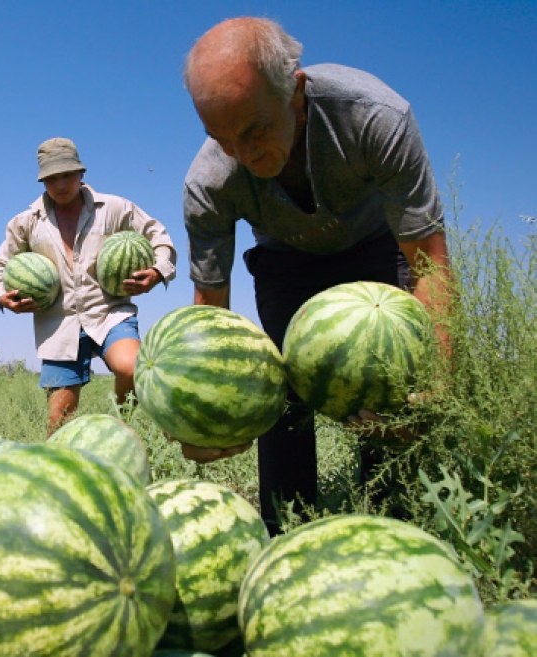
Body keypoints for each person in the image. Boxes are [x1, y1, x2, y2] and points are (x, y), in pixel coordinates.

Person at [180, 18, 452, 533]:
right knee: (282, 403)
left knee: (387, 401)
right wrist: (205, 413)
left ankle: (397, 523)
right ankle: (287, 531)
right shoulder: (209, 182)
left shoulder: (375, 118)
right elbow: (210, 313)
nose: (241, 154)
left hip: (377, 249)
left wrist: (435, 388)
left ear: (295, 91)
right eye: (222, 138)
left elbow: (428, 261)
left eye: (255, 130)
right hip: (287, 262)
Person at [0, 137, 177, 434]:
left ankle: (117, 431)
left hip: (109, 311)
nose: (60, 184)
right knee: (58, 423)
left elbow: (158, 236)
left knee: (133, 367)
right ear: (42, 181)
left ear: (81, 173)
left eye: (67, 175)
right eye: (52, 178)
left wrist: (156, 270)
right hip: (58, 322)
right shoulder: (26, 222)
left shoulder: (114, 208)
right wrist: (3, 296)